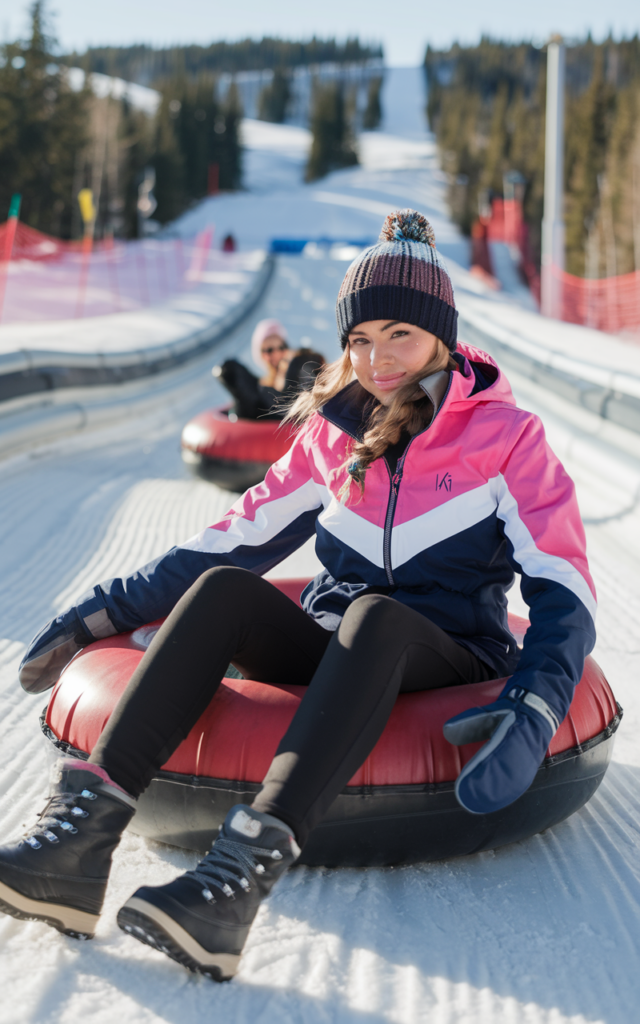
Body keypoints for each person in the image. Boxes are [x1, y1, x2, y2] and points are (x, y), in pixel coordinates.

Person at [0, 210, 596, 982]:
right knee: (223, 592)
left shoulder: (504, 438)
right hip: (340, 643)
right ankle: (78, 846)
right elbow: (230, 538)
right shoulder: (333, 435)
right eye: (360, 340)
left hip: (445, 650)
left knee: (377, 617)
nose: (377, 360)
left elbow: (564, 585)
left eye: (399, 336)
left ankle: (232, 885)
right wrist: (105, 609)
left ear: (441, 338)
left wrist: (539, 701)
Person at [214, 318, 325, 420]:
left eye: (281, 347)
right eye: (269, 350)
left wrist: (297, 361)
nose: (276, 353)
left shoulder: (300, 363)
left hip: (307, 410)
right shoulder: (264, 386)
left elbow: (310, 385)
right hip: (278, 420)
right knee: (229, 368)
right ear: (262, 355)